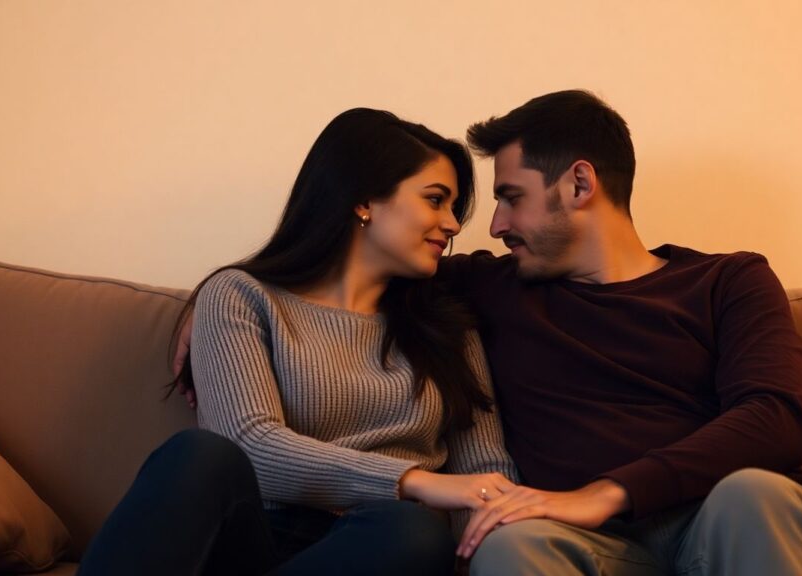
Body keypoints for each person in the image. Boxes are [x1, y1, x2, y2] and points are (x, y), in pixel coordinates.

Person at [173, 91, 802, 575]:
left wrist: (603, 493)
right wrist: (208, 300)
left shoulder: (728, 281)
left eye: (509, 196)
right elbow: (338, 271)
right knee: (511, 545)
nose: (490, 227)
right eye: (471, 203)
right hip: (589, 553)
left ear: (579, 183)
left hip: (729, 525)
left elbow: (774, 420)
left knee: (752, 492)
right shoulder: (488, 290)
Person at [78, 108, 519, 576]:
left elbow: (486, 470)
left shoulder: (450, 325)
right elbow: (249, 444)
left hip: (377, 548)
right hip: (251, 540)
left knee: (413, 532)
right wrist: (414, 481)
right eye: (436, 200)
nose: (452, 224)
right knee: (199, 455)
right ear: (364, 198)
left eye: (453, 208)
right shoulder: (242, 296)